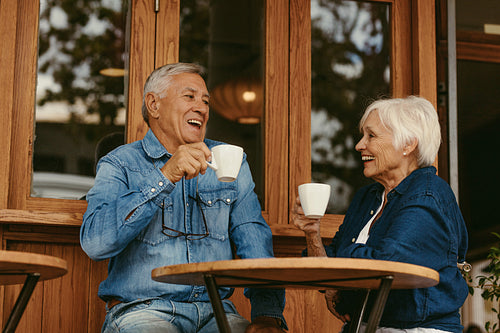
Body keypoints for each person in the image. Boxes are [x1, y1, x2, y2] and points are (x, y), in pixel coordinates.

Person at [80, 62, 286, 333]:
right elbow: (95, 243)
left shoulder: (229, 161)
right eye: (189, 97)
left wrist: (267, 316)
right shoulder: (120, 163)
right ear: (153, 105)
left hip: (217, 313)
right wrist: (164, 176)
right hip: (142, 310)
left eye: (205, 101)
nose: (201, 107)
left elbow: (254, 240)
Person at [291, 96, 469, 332]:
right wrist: (312, 233)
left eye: (371, 136)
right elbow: (327, 266)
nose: (359, 145)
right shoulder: (368, 197)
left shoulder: (428, 194)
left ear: (408, 145)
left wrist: (339, 276)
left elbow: (386, 264)